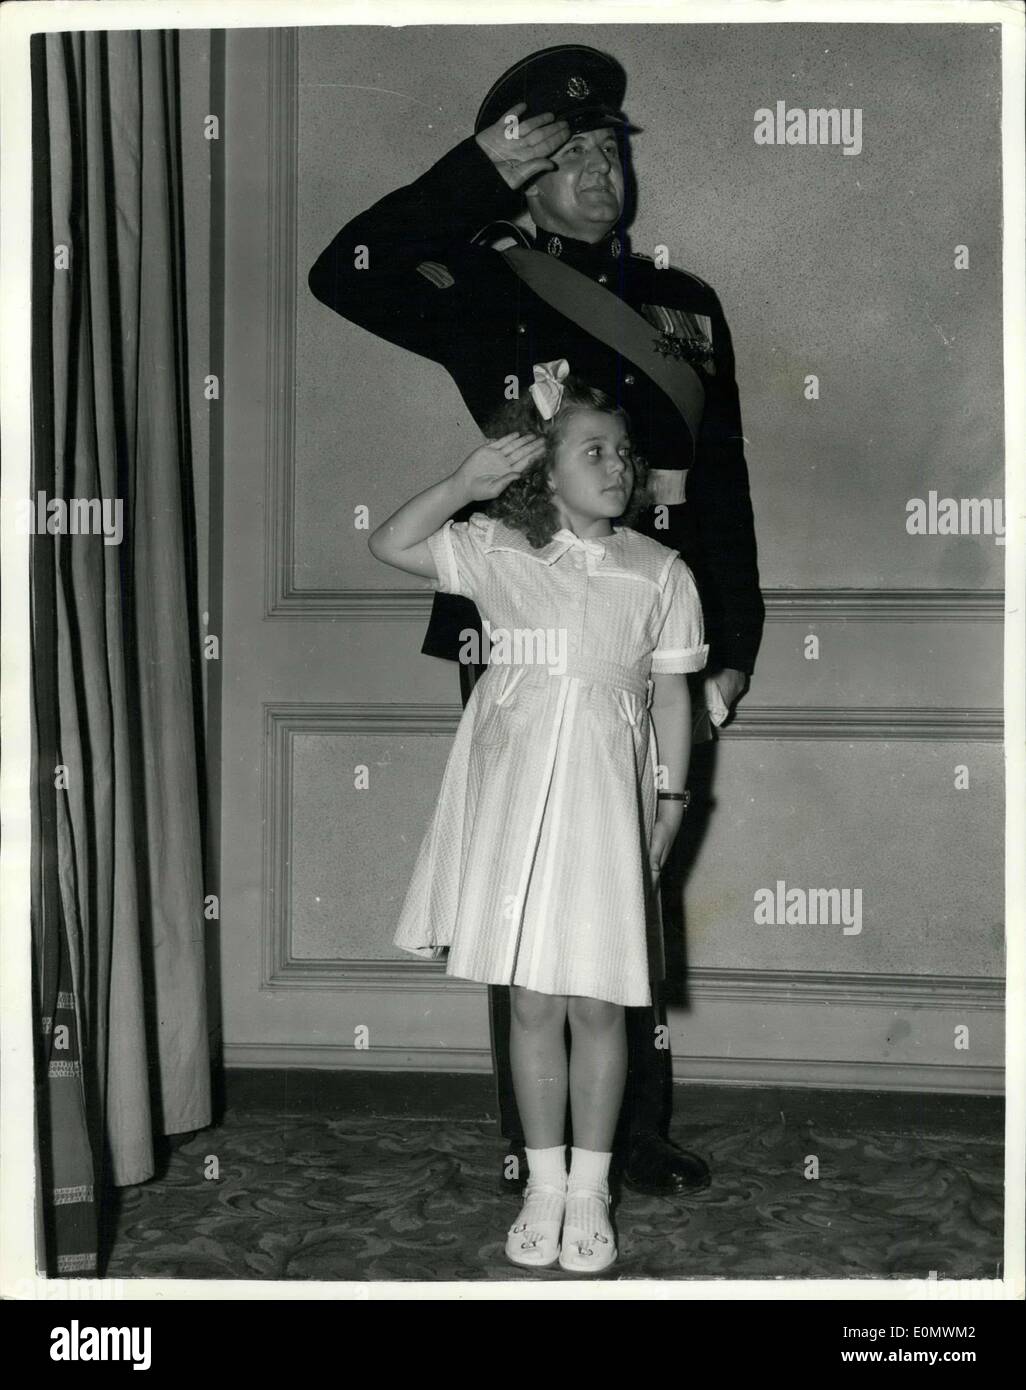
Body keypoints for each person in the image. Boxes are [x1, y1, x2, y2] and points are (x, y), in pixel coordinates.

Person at [309, 44, 765, 1197]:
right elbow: (343, 270)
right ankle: (536, 1140)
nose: (600, 168)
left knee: (628, 882)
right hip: (519, 618)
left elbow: (725, 485)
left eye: (610, 146)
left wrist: (737, 642)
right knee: (525, 889)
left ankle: (632, 1133)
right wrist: (473, 171)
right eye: (568, 152)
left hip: (648, 621)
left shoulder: (685, 304)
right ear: (524, 175)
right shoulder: (484, 281)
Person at [367, 364, 707, 1272]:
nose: (618, 466)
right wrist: (462, 484)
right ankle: (544, 1184)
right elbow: (391, 543)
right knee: (531, 999)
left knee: (599, 999)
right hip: (516, 796)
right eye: (593, 450)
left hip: (606, 795)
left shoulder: (660, 570)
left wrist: (671, 799)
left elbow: (673, 700)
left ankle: (592, 1187)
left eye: (625, 455)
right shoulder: (494, 548)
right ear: (543, 471)